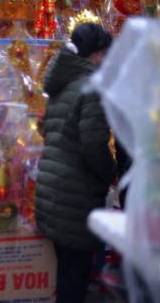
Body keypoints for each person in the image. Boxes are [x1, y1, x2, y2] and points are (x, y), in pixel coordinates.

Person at [34, 23, 117, 303]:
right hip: (75, 192)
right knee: (75, 273)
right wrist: (110, 173)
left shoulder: (63, 81)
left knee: (67, 267)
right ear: (96, 54)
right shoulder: (91, 86)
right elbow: (93, 145)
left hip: (54, 187)